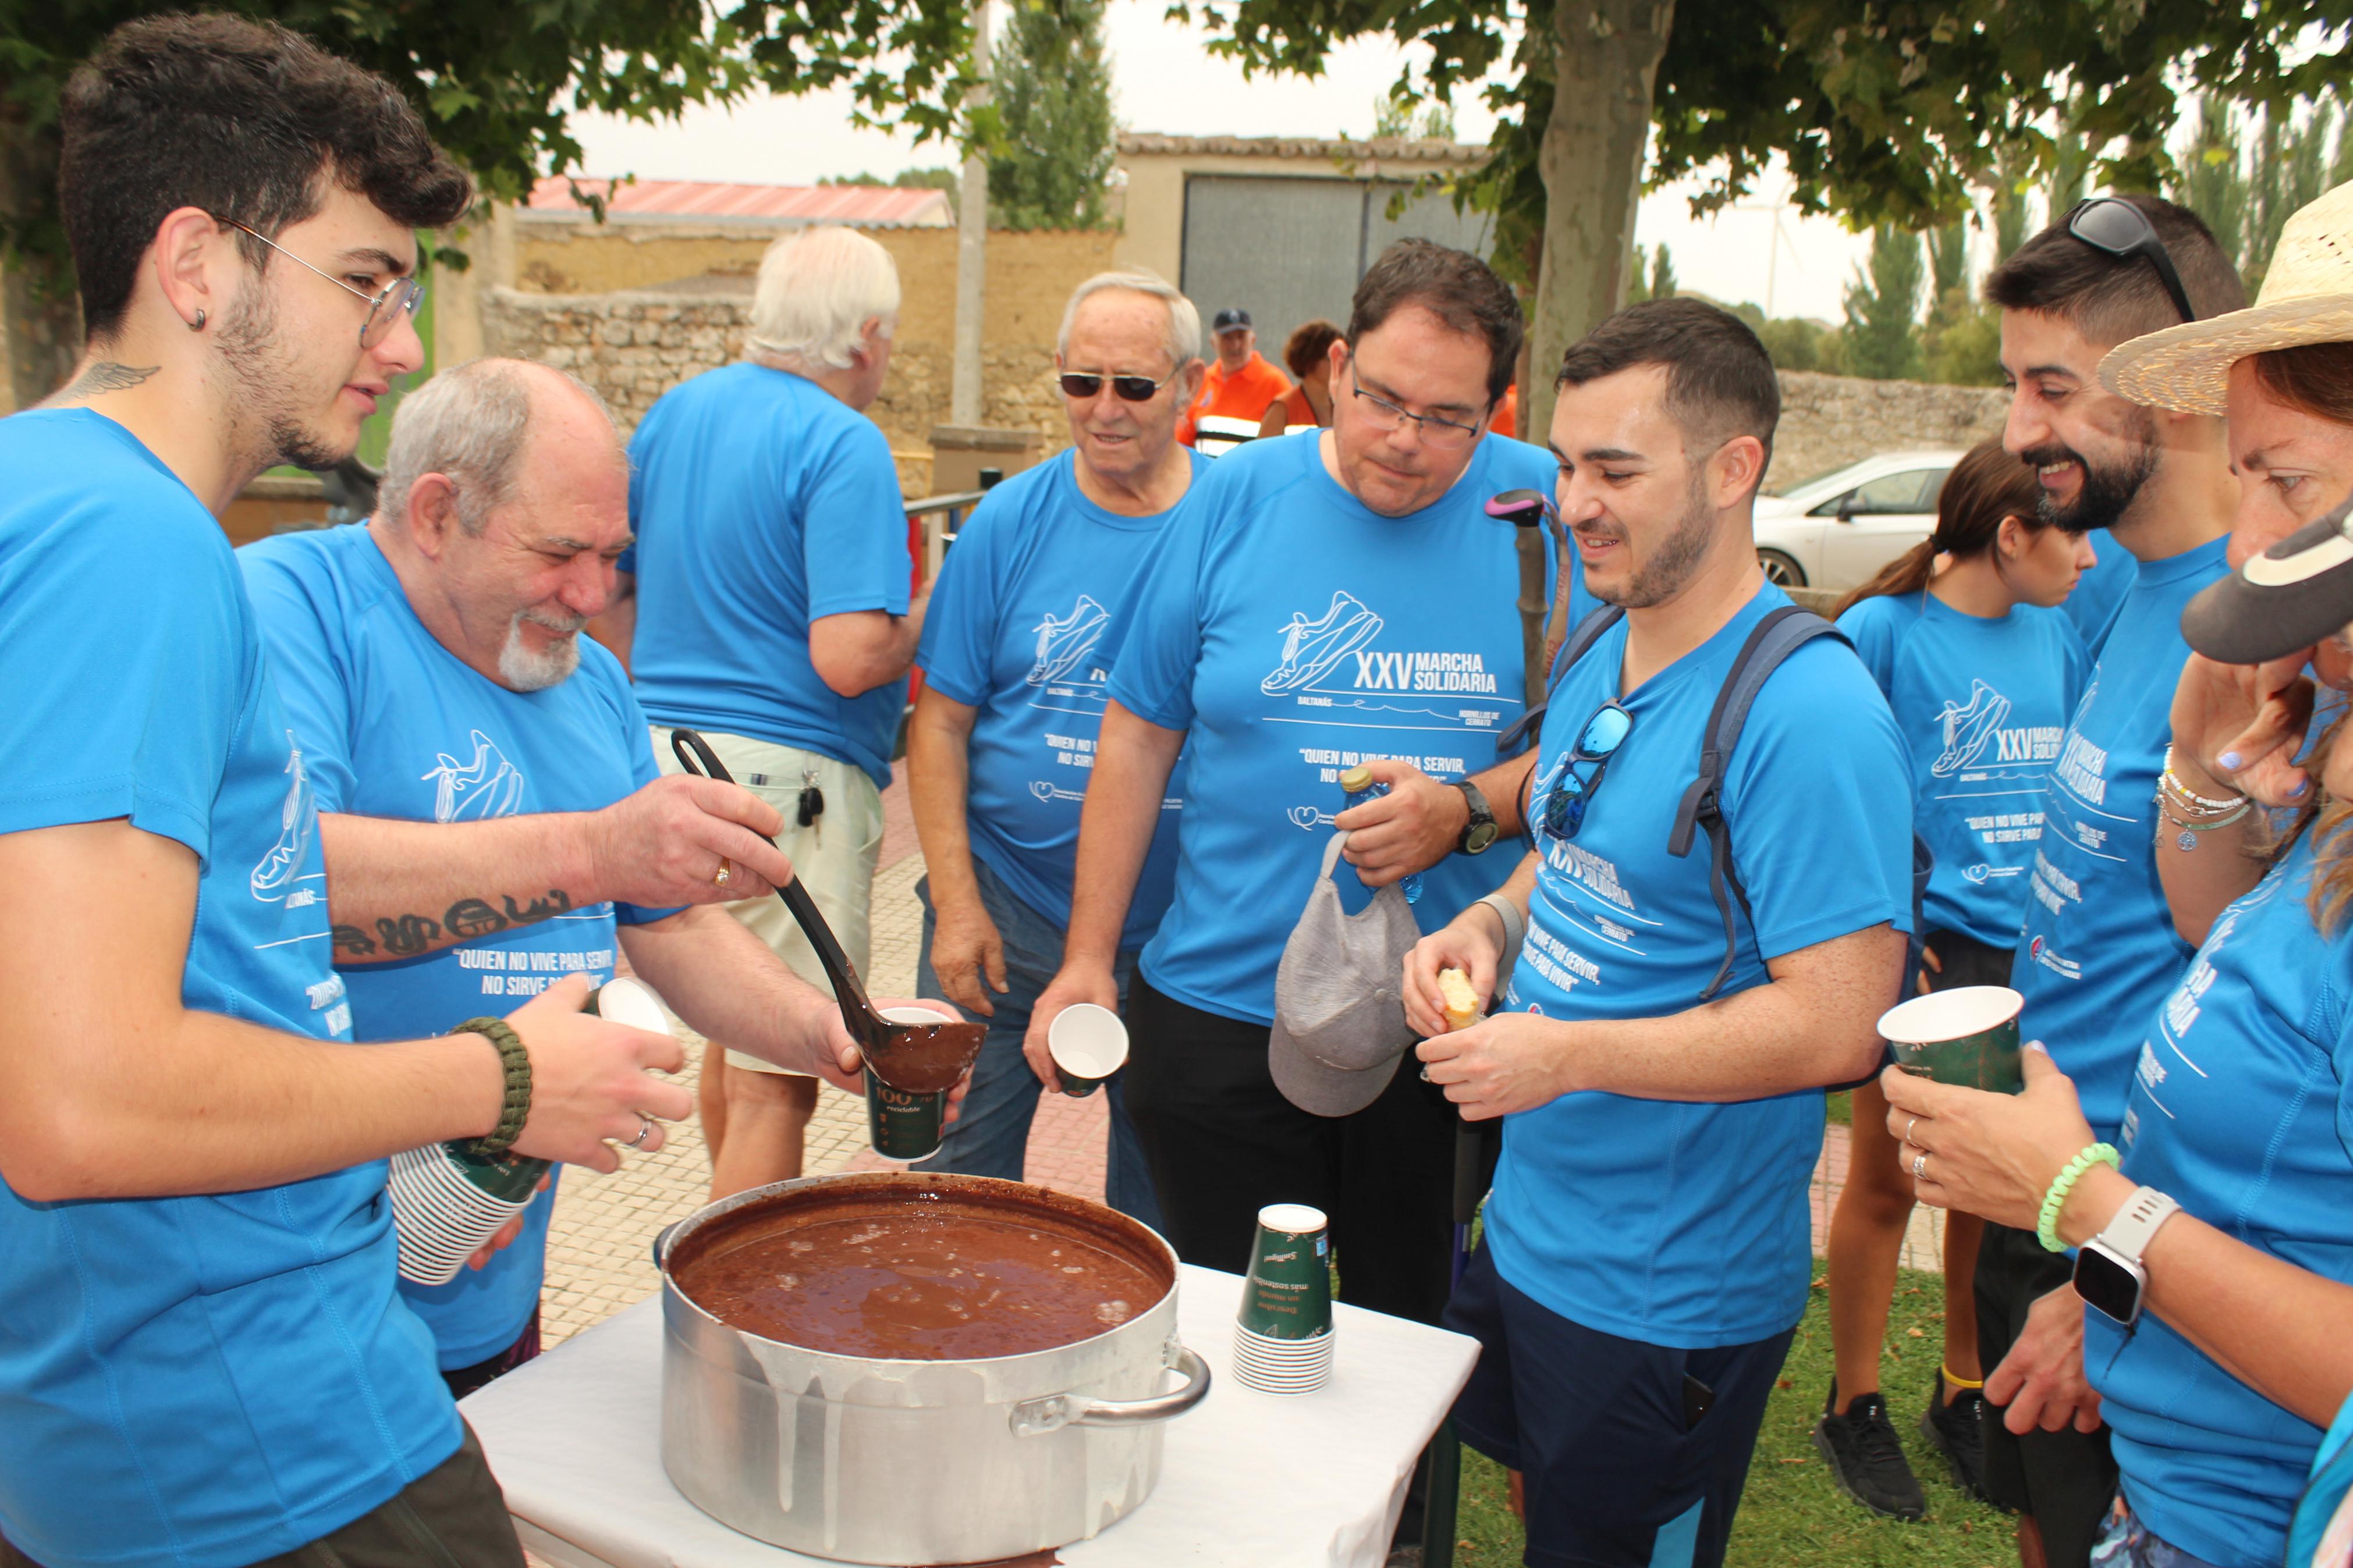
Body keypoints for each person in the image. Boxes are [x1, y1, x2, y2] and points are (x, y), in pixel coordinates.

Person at [0, 17, 688, 1568]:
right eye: (366, 280)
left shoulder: (35, 491)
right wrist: (498, 1077)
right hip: (254, 1420)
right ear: (198, 264)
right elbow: (78, 1103)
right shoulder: (133, 542)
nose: (398, 343)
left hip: (117, 1411)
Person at [240, 358, 907, 1396]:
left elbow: (666, 923)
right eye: (559, 553)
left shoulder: (586, 677)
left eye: (612, 557)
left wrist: (825, 1027)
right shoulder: (287, 611)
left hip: (488, 1271)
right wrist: (593, 851)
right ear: (435, 513)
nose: (594, 597)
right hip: (295, 1302)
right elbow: (279, 884)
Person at [1399, 297, 1916, 1568]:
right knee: (1545, 1519)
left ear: (1733, 469)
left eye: (1614, 471)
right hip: (1533, 1230)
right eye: (1565, 464)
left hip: (1666, 1294)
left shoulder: (1810, 714)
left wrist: (1565, 1055)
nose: (1574, 503)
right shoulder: (1603, 636)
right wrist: (1489, 921)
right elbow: (1574, 846)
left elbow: (1840, 1025)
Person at [1030, 239, 1578, 1328]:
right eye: (1380, 399)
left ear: (1496, 408)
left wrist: (1462, 810)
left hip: (1445, 1019)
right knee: (1225, 1341)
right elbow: (1136, 735)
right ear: (1334, 367)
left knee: (1406, 1340)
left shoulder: (1546, 517)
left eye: (1447, 418)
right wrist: (1087, 957)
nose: (1405, 439)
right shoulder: (1230, 500)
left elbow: (1599, 751)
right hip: (1221, 1013)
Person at [1962, 193, 2246, 1568]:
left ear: (2177, 387)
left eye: (2052, 389)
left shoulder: (2263, 630)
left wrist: (2111, 1268)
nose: (2018, 429)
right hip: (2048, 1179)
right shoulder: (2114, 591)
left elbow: (2258, 1019)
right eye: (2014, 386)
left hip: (2142, 1223)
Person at [606, 225, 924, 1200]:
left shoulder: (674, 413)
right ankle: (731, 1286)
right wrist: (934, 615)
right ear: (863, 336)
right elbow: (848, 656)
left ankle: (708, 1247)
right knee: (776, 1081)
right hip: (791, 781)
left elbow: (614, 596)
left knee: (729, 1028)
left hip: (660, 755)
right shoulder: (842, 441)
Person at [1812, 441, 2095, 1517]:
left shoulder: (2054, 631)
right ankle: (1852, 1403)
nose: (2086, 556)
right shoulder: (1884, 631)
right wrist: (1891, 921)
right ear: (2009, 534)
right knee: (1888, 1183)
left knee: (1984, 1182)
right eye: (2069, 533)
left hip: (2021, 962)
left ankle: (1960, 1387)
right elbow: (1834, 784)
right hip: (1925, 955)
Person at [905, 272, 1205, 1222]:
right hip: (1004, 914)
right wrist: (956, 904)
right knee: (950, 1197)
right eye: (1082, 383)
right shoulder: (1006, 524)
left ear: (1190, 384)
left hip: (1175, 938)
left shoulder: (1230, 525)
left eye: (1134, 386)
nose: (1104, 409)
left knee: (1160, 1220)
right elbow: (938, 724)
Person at [1177, 305, 1293, 445]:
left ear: (1253, 340)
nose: (1235, 345)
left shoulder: (1274, 382)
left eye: (1241, 337)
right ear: (1213, 343)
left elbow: (1290, 442)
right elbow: (1183, 439)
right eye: (1227, 338)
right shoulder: (1201, 381)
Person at [1258, 318, 1341, 436]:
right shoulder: (1282, 409)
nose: (1339, 364)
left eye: (1341, 358)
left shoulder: (1342, 405)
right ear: (1310, 360)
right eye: (1330, 358)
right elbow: (1265, 448)